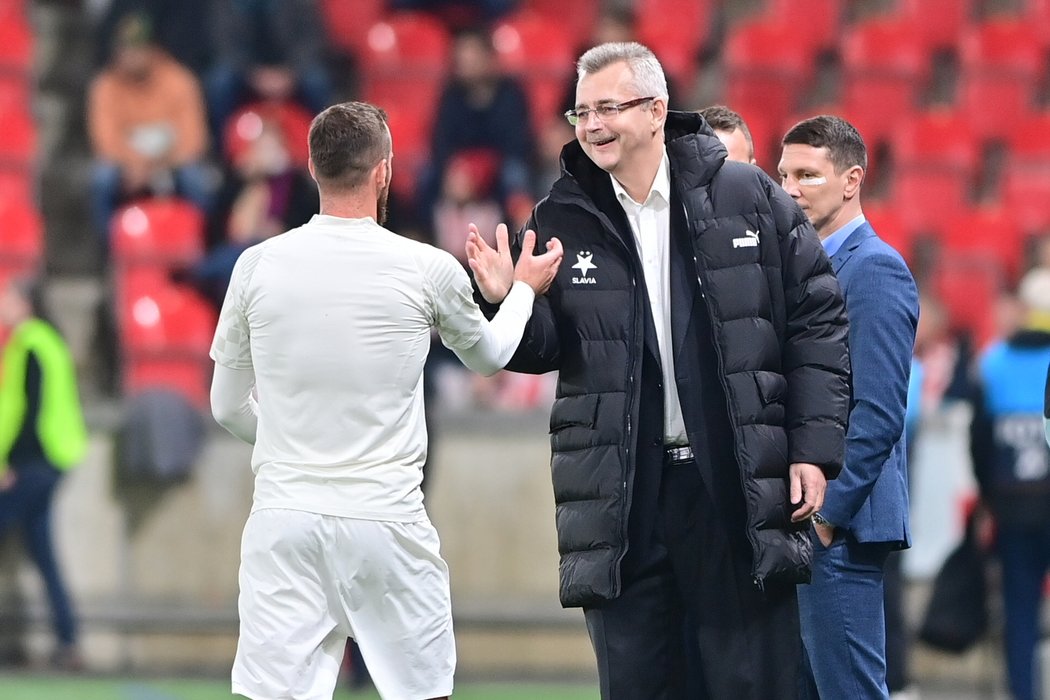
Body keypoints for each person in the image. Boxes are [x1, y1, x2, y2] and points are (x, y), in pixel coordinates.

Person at [466, 42, 851, 699]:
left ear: (656, 110)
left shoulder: (747, 195)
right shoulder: (561, 214)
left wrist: (813, 451)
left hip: (730, 488)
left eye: (608, 107)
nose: (592, 124)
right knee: (640, 684)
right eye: (581, 111)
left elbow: (816, 320)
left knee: (749, 682)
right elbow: (543, 350)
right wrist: (511, 300)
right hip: (625, 498)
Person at [208, 101, 563, 700]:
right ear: (384, 172)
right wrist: (522, 291)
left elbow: (226, 406)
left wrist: (289, 442)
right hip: (386, 525)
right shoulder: (426, 267)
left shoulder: (255, 267)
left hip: (285, 521)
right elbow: (491, 355)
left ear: (313, 170)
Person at [778, 115, 919, 700]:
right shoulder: (804, 266)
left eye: (807, 175)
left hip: (841, 528)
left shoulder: (875, 269)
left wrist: (827, 515)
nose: (789, 189)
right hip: (810, 527)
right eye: (783, 174)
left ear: (852, 179)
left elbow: (879, 412)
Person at [0, 276, 89, 670]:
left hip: (37, 460)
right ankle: (68, 642)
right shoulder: (47, 340)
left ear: (25, 303)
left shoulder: (30, 342)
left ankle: (67, 642)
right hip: (52, 459)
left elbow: (25, 409)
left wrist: (9, 464)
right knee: (42, 551)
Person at [972, 268, 1050, 700]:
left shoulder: (995, 362)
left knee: (1019, 611)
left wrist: (989, 497)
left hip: (1013, 508)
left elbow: (979, 443)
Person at [87, 12, 214, 253]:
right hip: (128, 168)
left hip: (172, 163)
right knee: (102, 178)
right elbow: (106, 141)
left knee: (196, 178)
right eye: (125, 49)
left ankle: (199, 250)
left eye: (138, 49)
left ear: (153, 49)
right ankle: (110, 254)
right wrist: (135, 165)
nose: (131, 56)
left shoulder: (179, 80)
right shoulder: (106, 86)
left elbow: (193, 139)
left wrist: (158, 167)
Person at [417, 28, 535, 228]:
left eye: (472, 57)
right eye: (461, 58)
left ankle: (521, 238)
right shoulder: (450, 94)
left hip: (500, 161)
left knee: (515, 175)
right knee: (427, 176)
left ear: (489, 58)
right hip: (461, 163)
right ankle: (426, 237)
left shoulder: (511, 92)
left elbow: (517, 141)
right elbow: (441, 139)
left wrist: (482, 171)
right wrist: (455, 169)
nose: (465, 64)